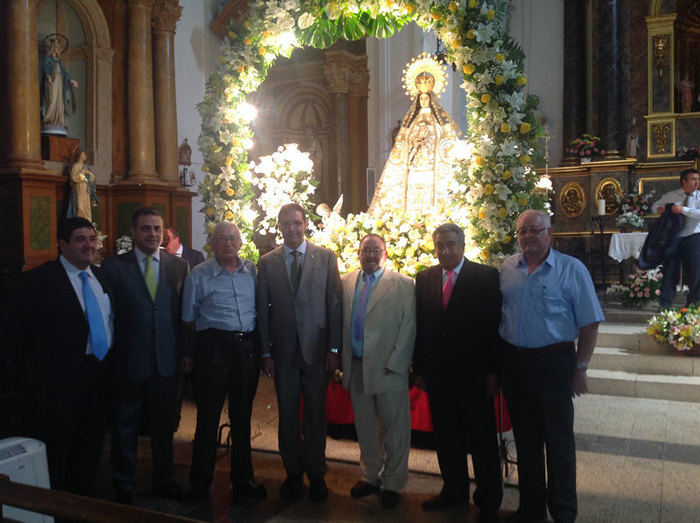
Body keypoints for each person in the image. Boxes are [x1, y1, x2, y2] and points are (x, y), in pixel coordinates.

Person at [499, 210, 604, 523]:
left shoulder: (572, 270)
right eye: (522, 231)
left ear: (550, 232)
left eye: (535, 230)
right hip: (515, 362)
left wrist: (580, 366)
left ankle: (563, 512)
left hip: (554, 363)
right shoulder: (507, 268)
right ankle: (531, 509)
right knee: (527, 441)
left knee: (558, 442)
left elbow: (590, 324)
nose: (528, 237)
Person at [13, 217, 113, 496]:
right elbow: (20, 337)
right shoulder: (39, 281)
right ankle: (58, 506)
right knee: (59, 454)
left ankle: (83, 502)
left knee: (90, 449)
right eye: (80, 239)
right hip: (58, 385)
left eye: (92, 239)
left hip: (98, 377)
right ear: (62, 244)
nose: (88, 246)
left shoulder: (101, 276)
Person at [413, 223, 503, 517]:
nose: (445, 251)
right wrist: (421, 369)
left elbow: (492, 327)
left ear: (463, 246)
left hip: (475, 375)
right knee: (447, 437)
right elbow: (421, 327)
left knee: (482, 440)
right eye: (440, 245)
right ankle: (454, 491)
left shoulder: (485, 277)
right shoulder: (424, 278)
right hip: (439, 375)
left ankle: (488, 498)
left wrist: (492, 372)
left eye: (451, 244)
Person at [256, 203, 342, 502]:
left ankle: (317, 474)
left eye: (296, 223)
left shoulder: (325, 258)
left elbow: (334, 305)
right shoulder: (268, 262)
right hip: (283, 353)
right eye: (285, 224)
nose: (291, 228)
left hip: (317, 351)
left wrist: (334, 348)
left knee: (316, 417)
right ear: (279, 226)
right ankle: (292, 472)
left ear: (305, 224)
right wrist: (266, 353)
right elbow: (262, 311)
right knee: (288, 415)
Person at [102, 207, 189, 504]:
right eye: (146, 229)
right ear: (134, 231)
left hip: (166, 360)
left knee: (164, 428)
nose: (152, 234)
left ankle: (164, 480)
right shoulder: (113, 268)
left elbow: (182, 315)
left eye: (157, 229)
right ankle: (124, 484)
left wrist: (186, 353)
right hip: (129, 360)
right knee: (125, 425)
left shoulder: (178, 267)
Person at [182, 222, 266, 505]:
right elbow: (189, 319)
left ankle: (243, 480)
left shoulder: (252, 272)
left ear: (240, 243)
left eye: (233, 238)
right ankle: (200, 482)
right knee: (208, 417)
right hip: (213, 349)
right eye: (222, 239)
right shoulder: (199, 275)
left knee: (242, 417)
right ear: (212, 244)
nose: (228, 243)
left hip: (246, 348)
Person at [341, 234, 416, 509]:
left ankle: (393, 482)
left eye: (376, 250)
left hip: (388, 368)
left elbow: (409, 327)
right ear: (358, 253)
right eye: (365, 250)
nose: (370, 255)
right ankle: (371, 476)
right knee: (366, 427)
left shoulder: (404, 284)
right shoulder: (346, 281)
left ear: (385, 253)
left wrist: (397, 363)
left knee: (395, 429)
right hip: (357, 365)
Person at [367, 56, 459, 216]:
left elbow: (443, 141)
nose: (423, 101)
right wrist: (414, 143)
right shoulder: (412, 123)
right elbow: (404, 142)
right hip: (414, 164)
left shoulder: (438, 124)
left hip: (431, 166)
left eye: (426, 98)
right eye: (421, 98)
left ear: (431, 99)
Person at [652, 168, 700, 308]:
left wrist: (683, 210)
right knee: (670, 271)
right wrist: (659, 209)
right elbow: (655, 206)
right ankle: (665, 304)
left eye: (698, 179)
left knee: (695, 271)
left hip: (694, 237)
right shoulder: (672, 195)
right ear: (684, 181)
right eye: (693, 179)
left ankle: (694, 305)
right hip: (674, 239)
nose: (697, 182)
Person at [40, 34, 78, 134]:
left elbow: (65, 73)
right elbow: (45, 69)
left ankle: (58, 120)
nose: (57, 49)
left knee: (59, 101)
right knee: (51, 99)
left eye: (59, 48)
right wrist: (48, 76)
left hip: (59, 83)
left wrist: (71, 81)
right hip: (51, 82)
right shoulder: (48, 59)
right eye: (56, 47)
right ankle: (49, 118)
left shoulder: (59, 62)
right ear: (52, 48)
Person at [66, 147, 98, 222]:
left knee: (87, 208)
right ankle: (79, 224)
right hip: (79, 188)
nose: (85, 156)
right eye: (84, 154)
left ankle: (88, 223)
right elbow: (73, 177)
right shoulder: (76, 166)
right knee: (80, 207)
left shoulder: (87, 167)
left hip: (86, 190)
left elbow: (92, 178)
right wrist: (82, 173)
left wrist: (89, 174)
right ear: (80, 155)